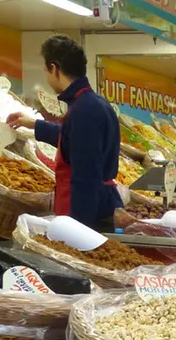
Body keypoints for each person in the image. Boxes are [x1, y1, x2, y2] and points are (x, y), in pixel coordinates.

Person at [7, 35, 122, 230]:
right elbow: (73, 139)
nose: (47, 77)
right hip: (100, 204)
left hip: (90, 214)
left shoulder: (85, 110)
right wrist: (34, 124)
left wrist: (77, 231)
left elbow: (86, 178)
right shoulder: (93, 103)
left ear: (54, 68)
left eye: (46, 71)